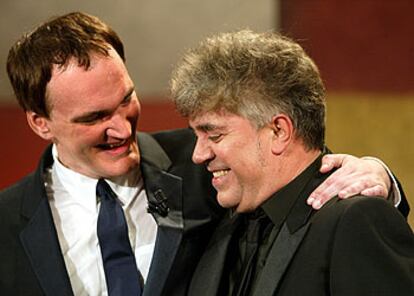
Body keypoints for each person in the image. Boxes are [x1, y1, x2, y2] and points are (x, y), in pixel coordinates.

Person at [0, 12, 407, 296]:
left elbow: (293, 170)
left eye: (126, 99)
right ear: (41, 123)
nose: (123, 128)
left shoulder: (201, 172)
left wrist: (379, 177)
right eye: (95, 117)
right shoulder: (6, 224)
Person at [170, 30, 414, 295]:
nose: (198, 154)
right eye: (197, 135)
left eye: (214, 135)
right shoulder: (218, 218)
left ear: (279, 131)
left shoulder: (355, 221)